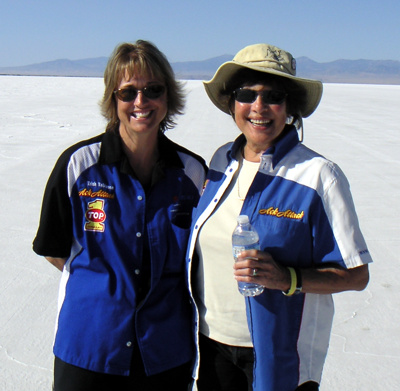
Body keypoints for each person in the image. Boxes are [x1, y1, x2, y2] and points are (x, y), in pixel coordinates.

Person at [186, 43, 372, 391]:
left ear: (290, 109)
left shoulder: (318, 176)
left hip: (281, 354)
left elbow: (356, 274)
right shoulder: (219, 162)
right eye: (246, 94)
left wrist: (287, 278)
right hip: (212, 346)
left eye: (273, 96)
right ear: (232, 103)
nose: (259, 107)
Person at [33, 40, 207, 391]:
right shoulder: (78, 166)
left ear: (168, 97)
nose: (140, 102)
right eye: (128, 92)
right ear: (113, 99)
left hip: (164, 353)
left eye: (153, 90)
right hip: (90, 348)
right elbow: (55, 249)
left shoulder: (192, 173)